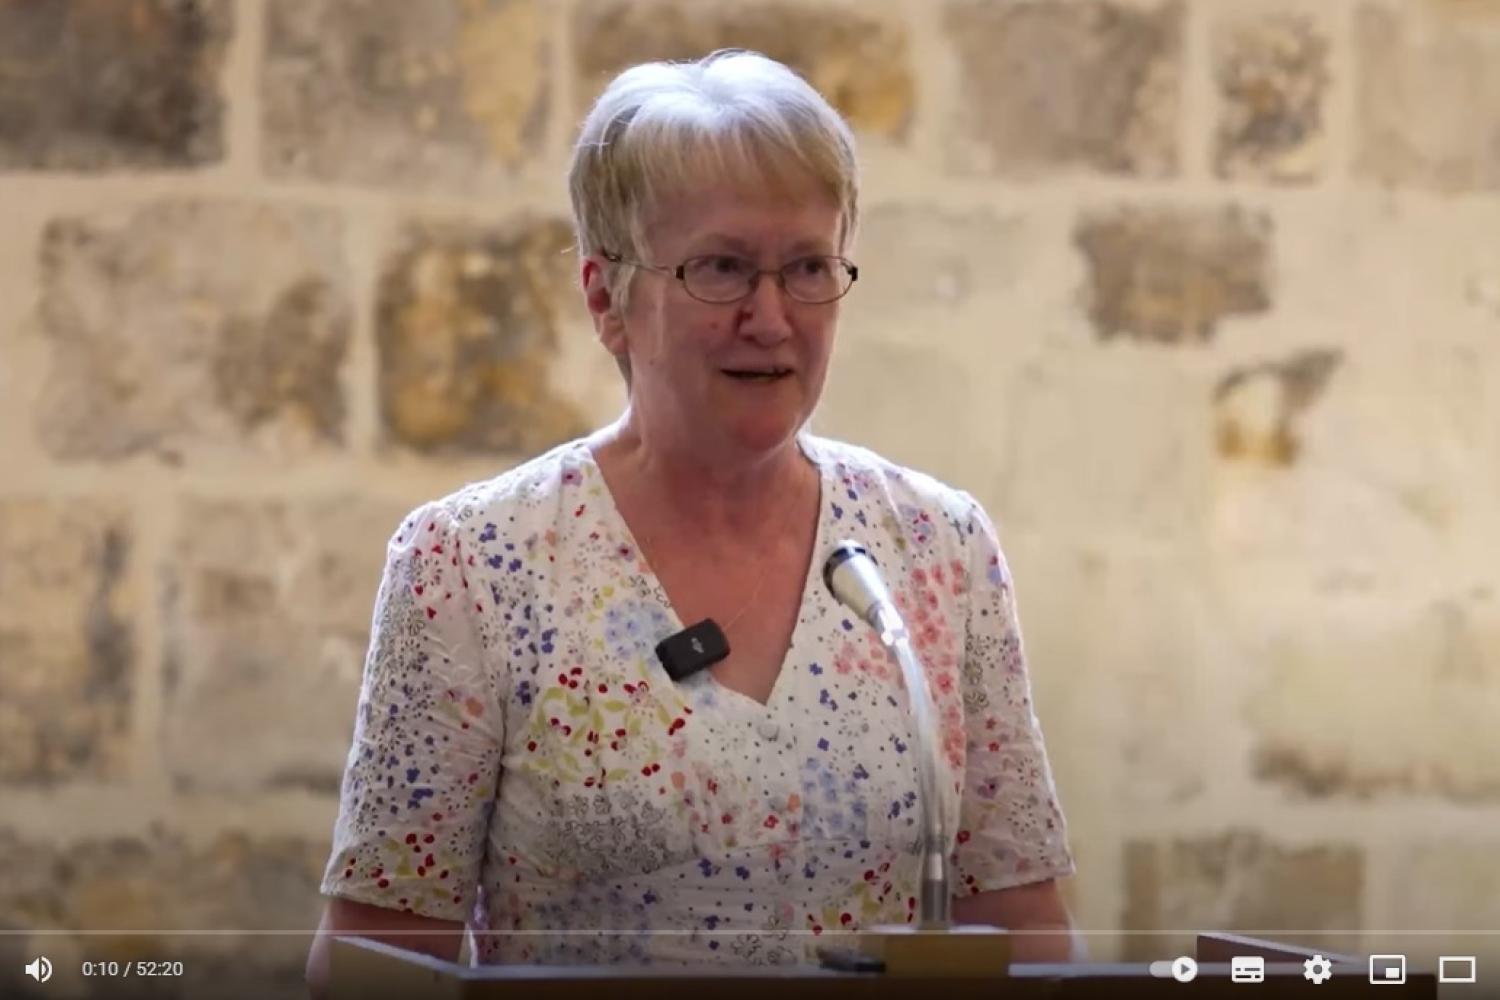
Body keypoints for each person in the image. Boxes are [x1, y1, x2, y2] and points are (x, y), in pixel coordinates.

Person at [306, 49, 1076, 992]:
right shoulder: (471, 564)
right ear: (607, 299)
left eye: (808, 267)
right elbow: (377, 958)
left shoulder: (935, 548)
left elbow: (1025, 927)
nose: (772, 317)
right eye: (722, 269)